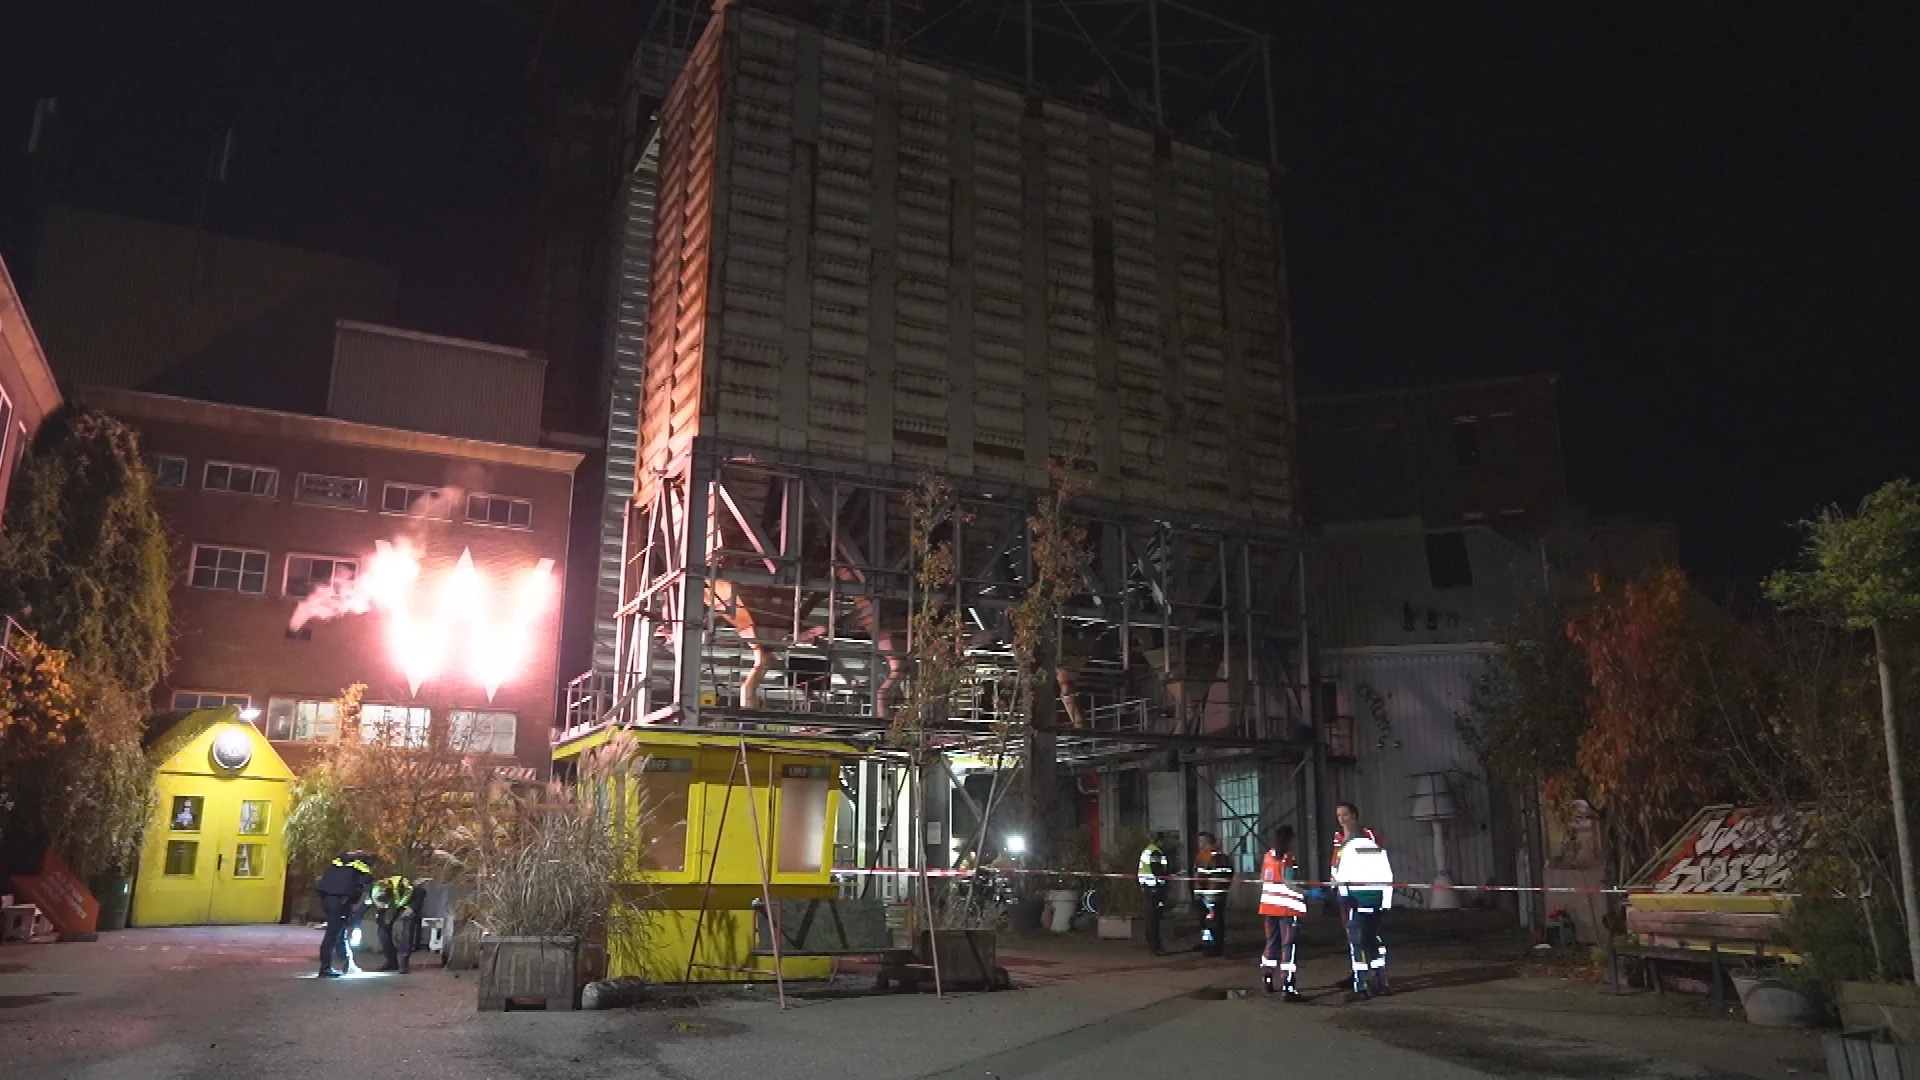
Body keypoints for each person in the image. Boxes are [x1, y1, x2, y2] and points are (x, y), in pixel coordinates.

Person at [1331, 802, 1393, 1002]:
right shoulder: (1340, 840)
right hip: (1364, 897)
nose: (1341, 819)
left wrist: (1343, 893)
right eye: (1339, 815)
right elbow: (1336, 865)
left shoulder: (1366, 838)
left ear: (1354, 816)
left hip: (1356, 897)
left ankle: (1366, 983)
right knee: (1362, 938)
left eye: (1345, 815)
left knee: (1362, 939)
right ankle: (1376, 979)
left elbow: (1344, 870)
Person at [1258, 825, 1308, 1000]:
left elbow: (1263, 879)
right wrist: (1309, 892)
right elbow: (1290, 883)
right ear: (1289, 840)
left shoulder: (1267, 857)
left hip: (1269, 907)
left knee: (1271, 943)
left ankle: (1267, 979)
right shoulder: (1288, 859)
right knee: (1288, 946)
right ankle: (1288, 987)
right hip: (1287, 908)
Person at [314, 851, 375, 978]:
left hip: (327, 900)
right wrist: (356, 910)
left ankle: (347, 963)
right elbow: (363, 892)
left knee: (338, 933)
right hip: (340, 902)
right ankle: (325, 969)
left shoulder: (338, 864)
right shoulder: (361, 869)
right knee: (332, 935)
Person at [1192, 831, 1235, 956]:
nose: (1199, 844)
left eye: (1201, 841)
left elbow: (1200, 876)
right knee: (1218, 920)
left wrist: (1198, 893)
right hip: (1220, 894)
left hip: (1207, 895)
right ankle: (1218, 945)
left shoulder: (1205, 856)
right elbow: (1229, 874)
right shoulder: (1223, 856)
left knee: (1208, 922)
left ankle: (1210, 946)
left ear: (1206, 842)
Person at [370, 873, 418, 974]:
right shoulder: (377, 889)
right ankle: (392, 962)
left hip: (406, 907)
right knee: (383, 934)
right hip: (389, 909)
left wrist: (412, 908)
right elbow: (374, 902)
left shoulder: (402, 884)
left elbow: (420, 893)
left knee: (405, 934)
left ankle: (404, 963)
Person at [1137, 836, 1172, 955]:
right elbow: (1157, 870)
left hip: (1147, 887)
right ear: (1160, 841)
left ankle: (1153, 946)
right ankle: (1155, 947)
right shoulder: (1155, 852)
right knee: (1153, 919)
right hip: (1154, 888)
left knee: (1150, 918)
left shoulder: (1147, 850)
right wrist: (1166, 877)